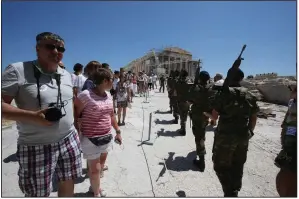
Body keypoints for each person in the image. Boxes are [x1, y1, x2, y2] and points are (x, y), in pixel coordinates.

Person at [2, 32, 82, 197]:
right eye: (50, 46)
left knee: (68, 180)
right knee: (37, 193)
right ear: (37, 48)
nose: (56, 51)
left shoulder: (66, 74)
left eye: (60, 48)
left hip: (69, 139)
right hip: (35, 145)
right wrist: (32, 117)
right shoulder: (17, 70)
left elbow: (70, 102)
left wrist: (76, 126)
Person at [210, 68, 259, 197]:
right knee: (238, 164)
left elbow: (214, 117)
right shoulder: (250, 95)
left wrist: (205, 113)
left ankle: (229, 192)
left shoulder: (223, 93)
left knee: (220, 165)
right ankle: (235, 189)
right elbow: (253, 117)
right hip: (243, 136)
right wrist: (249, 132)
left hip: (225, 136)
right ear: (241, 79)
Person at [74, 68, 122, 197]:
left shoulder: (109, 96)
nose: (114, 82)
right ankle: (96, 193)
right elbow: (76, 114)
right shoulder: (85, 95)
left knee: (100, 165)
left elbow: (111, 115)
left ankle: (94, 186)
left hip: (106, 137)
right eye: (112, 79)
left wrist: (118, 131)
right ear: (105, 81)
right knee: (95, 170)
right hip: (90, 139)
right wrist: (77, 133)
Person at [188, 71, 214, 172]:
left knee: (198, 137)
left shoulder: (196, 88)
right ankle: (201, 147)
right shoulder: (211, 88)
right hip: (206, 115)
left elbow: (189, 101)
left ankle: (201, 162)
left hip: (197, 115)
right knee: (201, 132)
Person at [275, 85, 297, 197]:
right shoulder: (292, 102)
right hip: (289, 138)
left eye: (294, 90)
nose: (291, 92)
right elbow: (288, 116)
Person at [175, 70, 190, 136]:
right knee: (185, 115)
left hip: (180, 101)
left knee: (182, 115)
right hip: (187, 101)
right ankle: (183, 127)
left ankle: (183, 129)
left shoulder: (178, 82)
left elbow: (176, 89)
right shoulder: (189, 82)